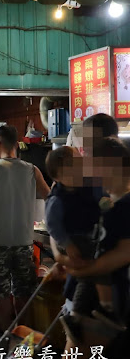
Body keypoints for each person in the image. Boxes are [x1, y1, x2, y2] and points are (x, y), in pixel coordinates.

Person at [57, 137, 130, 359]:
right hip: (90, 297)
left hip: (103, 304)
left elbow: (124, 253)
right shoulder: (107, 203)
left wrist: (81, 271)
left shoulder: (126, 205)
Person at [0, 125, 50, 330]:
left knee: (0, 291)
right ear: (17, 144)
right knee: (23, 289)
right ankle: (22, 333)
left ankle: (7, 333)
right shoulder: (31, 169)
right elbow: (50, 196)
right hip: (24, 240)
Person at [44, 146, 121, 340]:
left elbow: (100, 202)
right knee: (96, 267)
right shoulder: (57, 199)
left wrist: (105, 204)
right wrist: (66, 246)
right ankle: (105, 307)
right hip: (72, 239)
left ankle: (77, 315)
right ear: (57, 177)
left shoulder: (89, 185)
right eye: (70, 170)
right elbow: (53, 227)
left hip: (88, 237)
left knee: (89, 276)